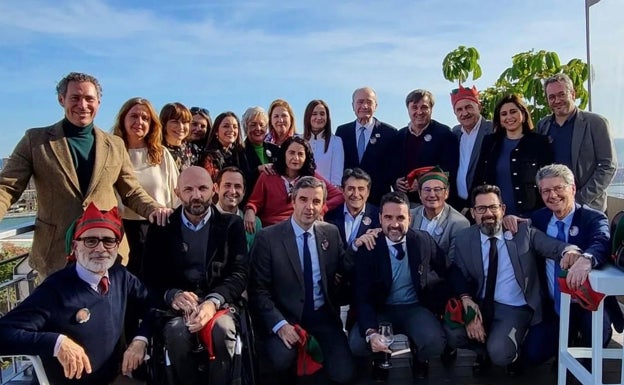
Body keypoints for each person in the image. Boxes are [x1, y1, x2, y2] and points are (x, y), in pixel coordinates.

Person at [0, 72, 169, 277]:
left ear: (98, 102)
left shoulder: (114, 145)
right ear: (62, 100)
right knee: (60, 309)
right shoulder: (35, 140)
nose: (83, 104)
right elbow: (7, 187)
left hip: (106, 250)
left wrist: (154, 208)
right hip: (56, 253)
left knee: (107, 308)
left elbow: (131, 191)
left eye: (89, 99)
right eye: (75, 98)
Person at [0, 203, 153, 385]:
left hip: (114, 379)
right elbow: (3, 333)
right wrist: (56, 343)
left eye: (108, 241)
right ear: (75, 246)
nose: (100, 248)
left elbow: (152, 305)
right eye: (90, 241)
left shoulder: (120, 276)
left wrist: (140, 340)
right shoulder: (55, 290)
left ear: (117, 245)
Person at [446, 184, 580, 376]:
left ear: (503, 209)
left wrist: (571, 251)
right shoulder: (464, 238)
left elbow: (552, 246)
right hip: (480, 302)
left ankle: (508, 351)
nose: (488, 214)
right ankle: (482, 352)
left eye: (493, 207)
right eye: (481, 209)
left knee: (501, 353)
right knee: (452, 334)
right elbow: (457, 272)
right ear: (473, 213)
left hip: (514, 307)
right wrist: (467, 301)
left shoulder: (522, 232)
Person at [141, 166, 248, 385]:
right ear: (177, 192)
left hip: (219, 304)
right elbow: (148, 277)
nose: (196, 195)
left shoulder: (231, 225)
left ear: (214, 189)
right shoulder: (161, 227)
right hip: (176, 310)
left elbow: (240, 273)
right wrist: (172, 295)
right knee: (177, 334)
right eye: (188, 189)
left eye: (202, 188)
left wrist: (212, 302)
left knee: (223, 331)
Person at [249, 176, 355, 384]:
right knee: (281, 360)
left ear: (324, 205)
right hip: (286, 318)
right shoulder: (268, 238)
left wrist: (359, 247)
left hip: (322, 317)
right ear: (293, 201)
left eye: (316, 201)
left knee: (345, 374)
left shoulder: (330, 233)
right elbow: (258, 290)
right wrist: (280, 325)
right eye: (303, 200)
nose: (309, 207)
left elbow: (344, 271)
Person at [522, 164, 624, 364]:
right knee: (533, 353)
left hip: (589, 303)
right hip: (553, 305)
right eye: (546, 191)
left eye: (558, 188)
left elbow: (601, 241)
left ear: (573, 188)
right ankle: (563, 342)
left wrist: (586, 259)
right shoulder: (538, 219)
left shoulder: (592, 217)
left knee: (594, 345)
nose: (553, 195)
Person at [349, 191, 447, 379]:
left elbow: (447, 269)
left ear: (409, 218)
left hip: (414, 307)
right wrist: (371, 332)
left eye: (400, 217)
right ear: (380, 218)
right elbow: (362, 295)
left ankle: (420, 357)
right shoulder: (369, 246)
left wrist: (461, 297)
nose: (394, 224)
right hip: (381, 309)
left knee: (435, 342)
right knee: (358, 343)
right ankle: (379, 357)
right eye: (388, 217)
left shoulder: (422, 240)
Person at [112, 97, 179, 277]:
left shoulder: (160, 154)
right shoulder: (113, 153)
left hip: (158, 225)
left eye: (145, 118)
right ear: (123, 119)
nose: (139, 122)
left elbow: (176, 192)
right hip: (125, 228)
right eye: (134, 116)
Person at [537, 73, 616, 212]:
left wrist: (577, 199)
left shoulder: (596, 123)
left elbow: (608, 166)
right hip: (553, 208)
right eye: (552, 97)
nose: (557, 100)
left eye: (562, 94)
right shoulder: (542, 126)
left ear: (573, 94)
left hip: (588, 207)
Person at [473, 94, 552, 217]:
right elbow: (479, 176)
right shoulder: (490, 142)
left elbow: (549, 179)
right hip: (495, 216)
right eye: (504, 114)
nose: (509, 117)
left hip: (531, 215)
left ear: (524, 115)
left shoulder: (539, 142)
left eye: (513, 112)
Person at [244, 136, 343, 230]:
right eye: (291, 153)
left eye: (300, 154)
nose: (296, 158)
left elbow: (339, 196)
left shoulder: (311, 178)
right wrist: (250, 211)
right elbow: (254, 202)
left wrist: (321, 210)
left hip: (300, 228)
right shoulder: (268, 175)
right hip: (271, 229)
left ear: (306, 157)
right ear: (284, 154)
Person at [392, 89, 459, 204]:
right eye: (414, 107)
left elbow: (449, 169)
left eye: (424, 107)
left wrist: (423, 181)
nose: (419, 112)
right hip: (405, 202)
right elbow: (391, 166)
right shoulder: (399, 135)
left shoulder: (444, 134)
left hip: (434, 201)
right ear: (408, 109)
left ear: (431, 109)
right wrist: (395, 181)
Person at [336, 86, 397, 205]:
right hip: (350, 199)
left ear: (376, 106)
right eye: (360, 102)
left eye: (369, 102)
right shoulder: (342, 131)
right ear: (353, 105)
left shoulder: (389, 133)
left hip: (378, 199)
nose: (364, 106)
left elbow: (393, 166)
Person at [450, 86, 494, 212]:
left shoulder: (493, 130)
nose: (464, 113)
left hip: (484, 203)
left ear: (479, 107)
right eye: (459, 109)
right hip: (459, 204)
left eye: (468, 107)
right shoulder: (455, 133)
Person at [325, 168, 379, 248]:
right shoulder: (330, 217)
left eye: (361, 189)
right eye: (351, 189)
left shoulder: (378, 216)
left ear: (368, 192)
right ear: (342, 191)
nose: (356, 194)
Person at [214, 166, 261, 250]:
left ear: (244, 191)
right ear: (216, 188)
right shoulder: (204, 219)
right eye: (227, 185)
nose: (232, 191)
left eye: (237, 186)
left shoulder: (254, 223)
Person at [303, 99, 344, 186]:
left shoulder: (336, 141)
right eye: (314, 114)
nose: (318, 118)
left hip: (326, 194)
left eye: (322, 114)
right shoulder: (298, 139)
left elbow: (337, 176)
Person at [241, 106, 280, 198]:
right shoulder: (239, 151)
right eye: (253, 125)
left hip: (274, 200)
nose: (258, 128)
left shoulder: (276, 149)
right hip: (250, 202)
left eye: (262, 125)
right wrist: (258, 170)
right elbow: (240, 179)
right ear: (246, 127)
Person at [202, 111, 251, 182]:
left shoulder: (241, 153)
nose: (231, 130)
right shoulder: (210, 157)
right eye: (226, 126)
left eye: (235, 127)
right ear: (216, 131)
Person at [160, 102, 197, 172]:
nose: (181, 127)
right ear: (164, 124)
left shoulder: (193, 150)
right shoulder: (156, 150)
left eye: (184, 122)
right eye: (175, 122)